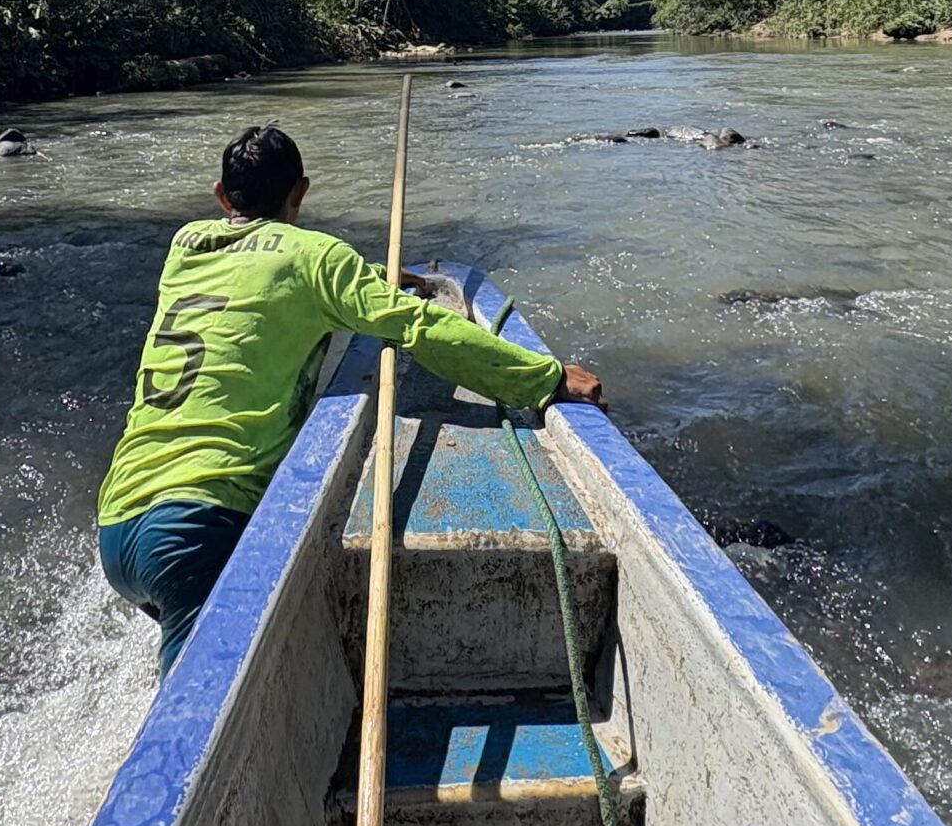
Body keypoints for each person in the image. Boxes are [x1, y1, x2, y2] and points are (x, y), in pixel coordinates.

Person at [96, 123, 606, 677]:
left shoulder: (185, 245)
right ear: (300, 193)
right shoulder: (315, 258)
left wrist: (366, 276)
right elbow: (418, 325)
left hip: (119, 524)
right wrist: (546, 378)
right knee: (191, 725)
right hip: (198, 524)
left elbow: (258, 274)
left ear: (221, 195)